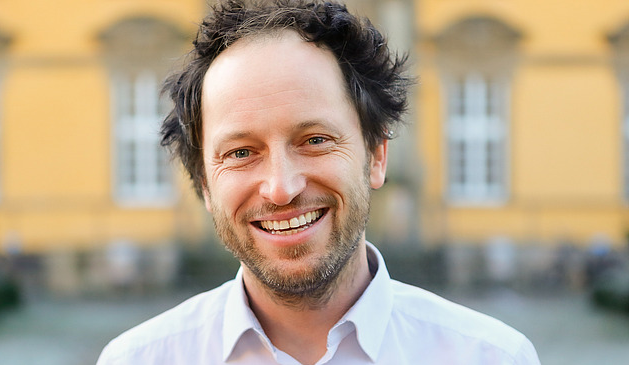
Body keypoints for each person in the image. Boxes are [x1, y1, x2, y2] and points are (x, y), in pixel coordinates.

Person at [97, 1, 541, 364]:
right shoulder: (137, 359)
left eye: (314, 140)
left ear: (376, 154)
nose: (281, 188)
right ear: (204, 184)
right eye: (241, 152)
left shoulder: (493, 357)